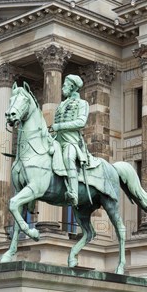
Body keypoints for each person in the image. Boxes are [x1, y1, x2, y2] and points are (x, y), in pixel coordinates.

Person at [51, 75, 89, 207]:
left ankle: (73, 193)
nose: (62, 88)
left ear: (72, 86)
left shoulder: (82, 104)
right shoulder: (61, 105)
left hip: (71, 141)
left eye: (65, 85)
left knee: (68, 157)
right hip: (57, 140)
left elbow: (81, 122)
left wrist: (60, 127)